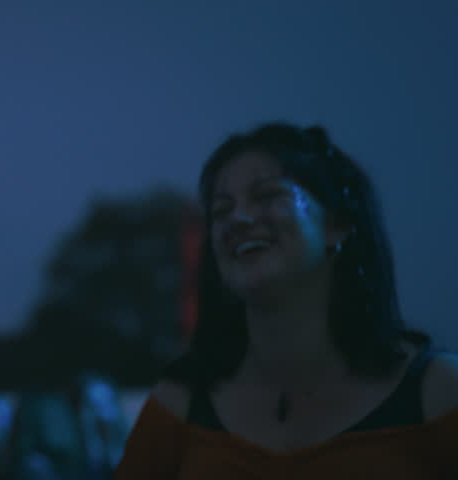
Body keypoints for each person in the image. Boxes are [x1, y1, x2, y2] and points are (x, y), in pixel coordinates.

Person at [115, 123, 458, 479]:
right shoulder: (180, 404)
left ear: (336, 224)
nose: (239, 219)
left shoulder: (437, 393)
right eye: (221, 210)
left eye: (266, 195)